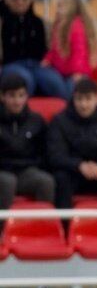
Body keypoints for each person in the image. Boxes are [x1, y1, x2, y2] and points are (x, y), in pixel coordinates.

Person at [48, 78, 97, 217]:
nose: (83, 104)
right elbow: (55, 155)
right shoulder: (59, 121)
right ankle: (64, 229)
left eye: (88, 99)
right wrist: (79, 165)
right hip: (72, 174)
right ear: (73, 99)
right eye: (79, 99)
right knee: (61, 179)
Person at [0, 0, 69, 99]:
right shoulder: (2, 23)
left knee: (57, 85)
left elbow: (53, 49)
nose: (20, 1)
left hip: (38, 66)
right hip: (11, 66)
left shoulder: (40, 23)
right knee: (25, 81)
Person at [0, 72, 54, 212]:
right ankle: (3, 231)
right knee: (7, 182)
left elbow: (45, 151)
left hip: (26, 171)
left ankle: (42, 228)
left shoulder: (36, 121)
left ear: (26, 96)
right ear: (2, 96)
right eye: (12, 96)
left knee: (46, 181)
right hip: (3, 172)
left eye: (21, 95)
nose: (17, 101)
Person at [43, 0, 97, 90]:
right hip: (62, 72)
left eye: (62, 7)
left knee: (71, 92)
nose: (58, 10)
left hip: (76, 74)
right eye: (58, 6)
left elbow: (79, 51)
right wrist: (47, 60)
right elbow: (54, 49)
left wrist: (77, 72)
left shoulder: (76, 25)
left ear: (71, 8)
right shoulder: (59, 25)